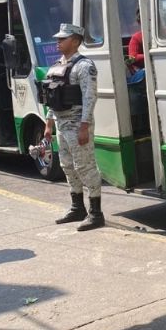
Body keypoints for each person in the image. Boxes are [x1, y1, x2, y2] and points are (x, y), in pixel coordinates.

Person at [41, 23, 104, 231]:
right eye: (58, 39)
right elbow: (52, 97)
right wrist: (49, 123)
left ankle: (96, 213)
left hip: (78, 124)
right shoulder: (57, 66)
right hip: (61, 124)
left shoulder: (85, 66)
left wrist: (84, 125)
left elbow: (90, 97)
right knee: (67, 166)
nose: (58, 42)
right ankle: (77, 208)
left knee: (85, 166)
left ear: (75, 41)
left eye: (62, 39)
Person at [125, 9, 146, 85]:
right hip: (139, 72)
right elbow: (132, 57)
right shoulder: (136, 38)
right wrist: (148, 55)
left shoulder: (164, 33)